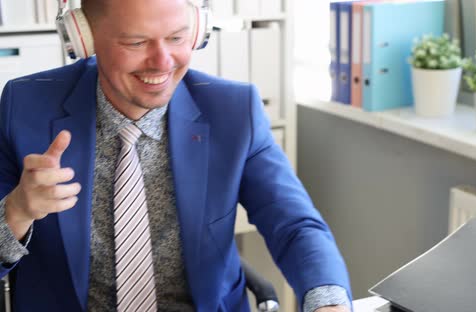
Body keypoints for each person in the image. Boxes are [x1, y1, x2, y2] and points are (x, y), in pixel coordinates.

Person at [0, 0, 351, 311]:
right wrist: (17, 211)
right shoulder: (25, 107)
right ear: (85, 40)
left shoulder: (233, 111)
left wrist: (328, 302)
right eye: (136, 42)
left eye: (177, 38)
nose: (162, 62)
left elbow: (294, 225)